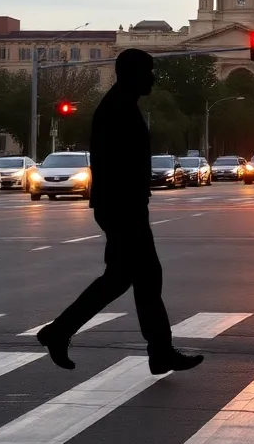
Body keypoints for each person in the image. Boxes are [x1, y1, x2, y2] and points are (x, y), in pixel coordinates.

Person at [36, 48, 203, 375]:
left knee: (127, 279)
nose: (153, 78)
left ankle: (154, 350)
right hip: (122, 207)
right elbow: (116, 162)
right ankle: (157, 350)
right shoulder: (117, 109)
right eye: (148, 72)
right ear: (133, 74)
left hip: (122, 205)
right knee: (138, 277)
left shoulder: (121, 105)